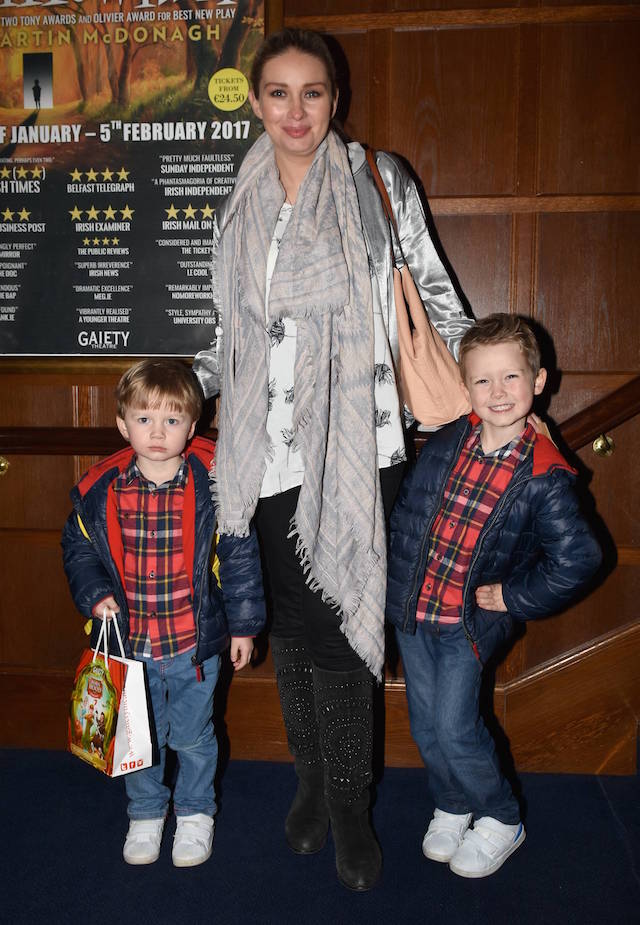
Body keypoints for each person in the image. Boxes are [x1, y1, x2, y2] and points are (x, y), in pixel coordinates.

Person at [193, 28, 473, 891]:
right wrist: (182, 384)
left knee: (345, 628)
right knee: (289, 626)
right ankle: (311, 780)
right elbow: (226, 334)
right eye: (278, 93)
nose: (295, 110)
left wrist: (498, 389)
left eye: (311, 92)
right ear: (256, 102)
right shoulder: (239, 200)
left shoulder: (377, 181)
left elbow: (436, 297)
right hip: (262, 453)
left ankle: (350, 802)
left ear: (334, 99)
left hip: (358, 444)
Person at [386, 314, 602, 878]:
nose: (497, 392)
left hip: (467, 626)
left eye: (511, 377)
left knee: (457, 727)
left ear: (538, 381)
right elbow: (408, 516)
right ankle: (452, 803)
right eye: (483, 380)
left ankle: (501, 817)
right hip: (415, 613)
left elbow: (579, 559)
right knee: (425, 726)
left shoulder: (545, 473)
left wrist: (512, 597)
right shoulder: (446, 442)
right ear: (466, 387)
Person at [62, 359, 265, 867]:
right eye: (144, 419)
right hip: (131, 646)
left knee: (193, 736)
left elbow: (239, 556)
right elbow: (79, 549)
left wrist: (243, 626)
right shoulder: (102, 489)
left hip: (193, 645)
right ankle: (146, 812)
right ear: (122, 424)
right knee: (137, 735)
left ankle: (195, 813)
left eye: (172, 420)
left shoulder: (214, 486)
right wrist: (95, 594)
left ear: (192, 426)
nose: (157, 432)